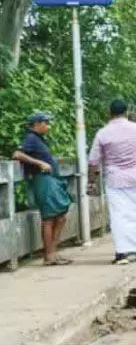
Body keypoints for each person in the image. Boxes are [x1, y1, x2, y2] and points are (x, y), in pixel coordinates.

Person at [88, 100, 136, 265]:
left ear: (109, 113)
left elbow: (94, 161)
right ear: (126, 112)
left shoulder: (103, 133)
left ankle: (123, 253)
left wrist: (91, 182)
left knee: (119, 216)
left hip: (115, 178)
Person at [11, 112, 73, 266]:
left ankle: (52, 253)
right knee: (49, 218)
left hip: (51, 180)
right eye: (45, 122)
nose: (48, 125)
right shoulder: (31, 138)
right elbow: (17, 154)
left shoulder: (39, 139)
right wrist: (39, 163)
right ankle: (49, 255)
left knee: (60, 216)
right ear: (37, 124)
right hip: (42, 180)